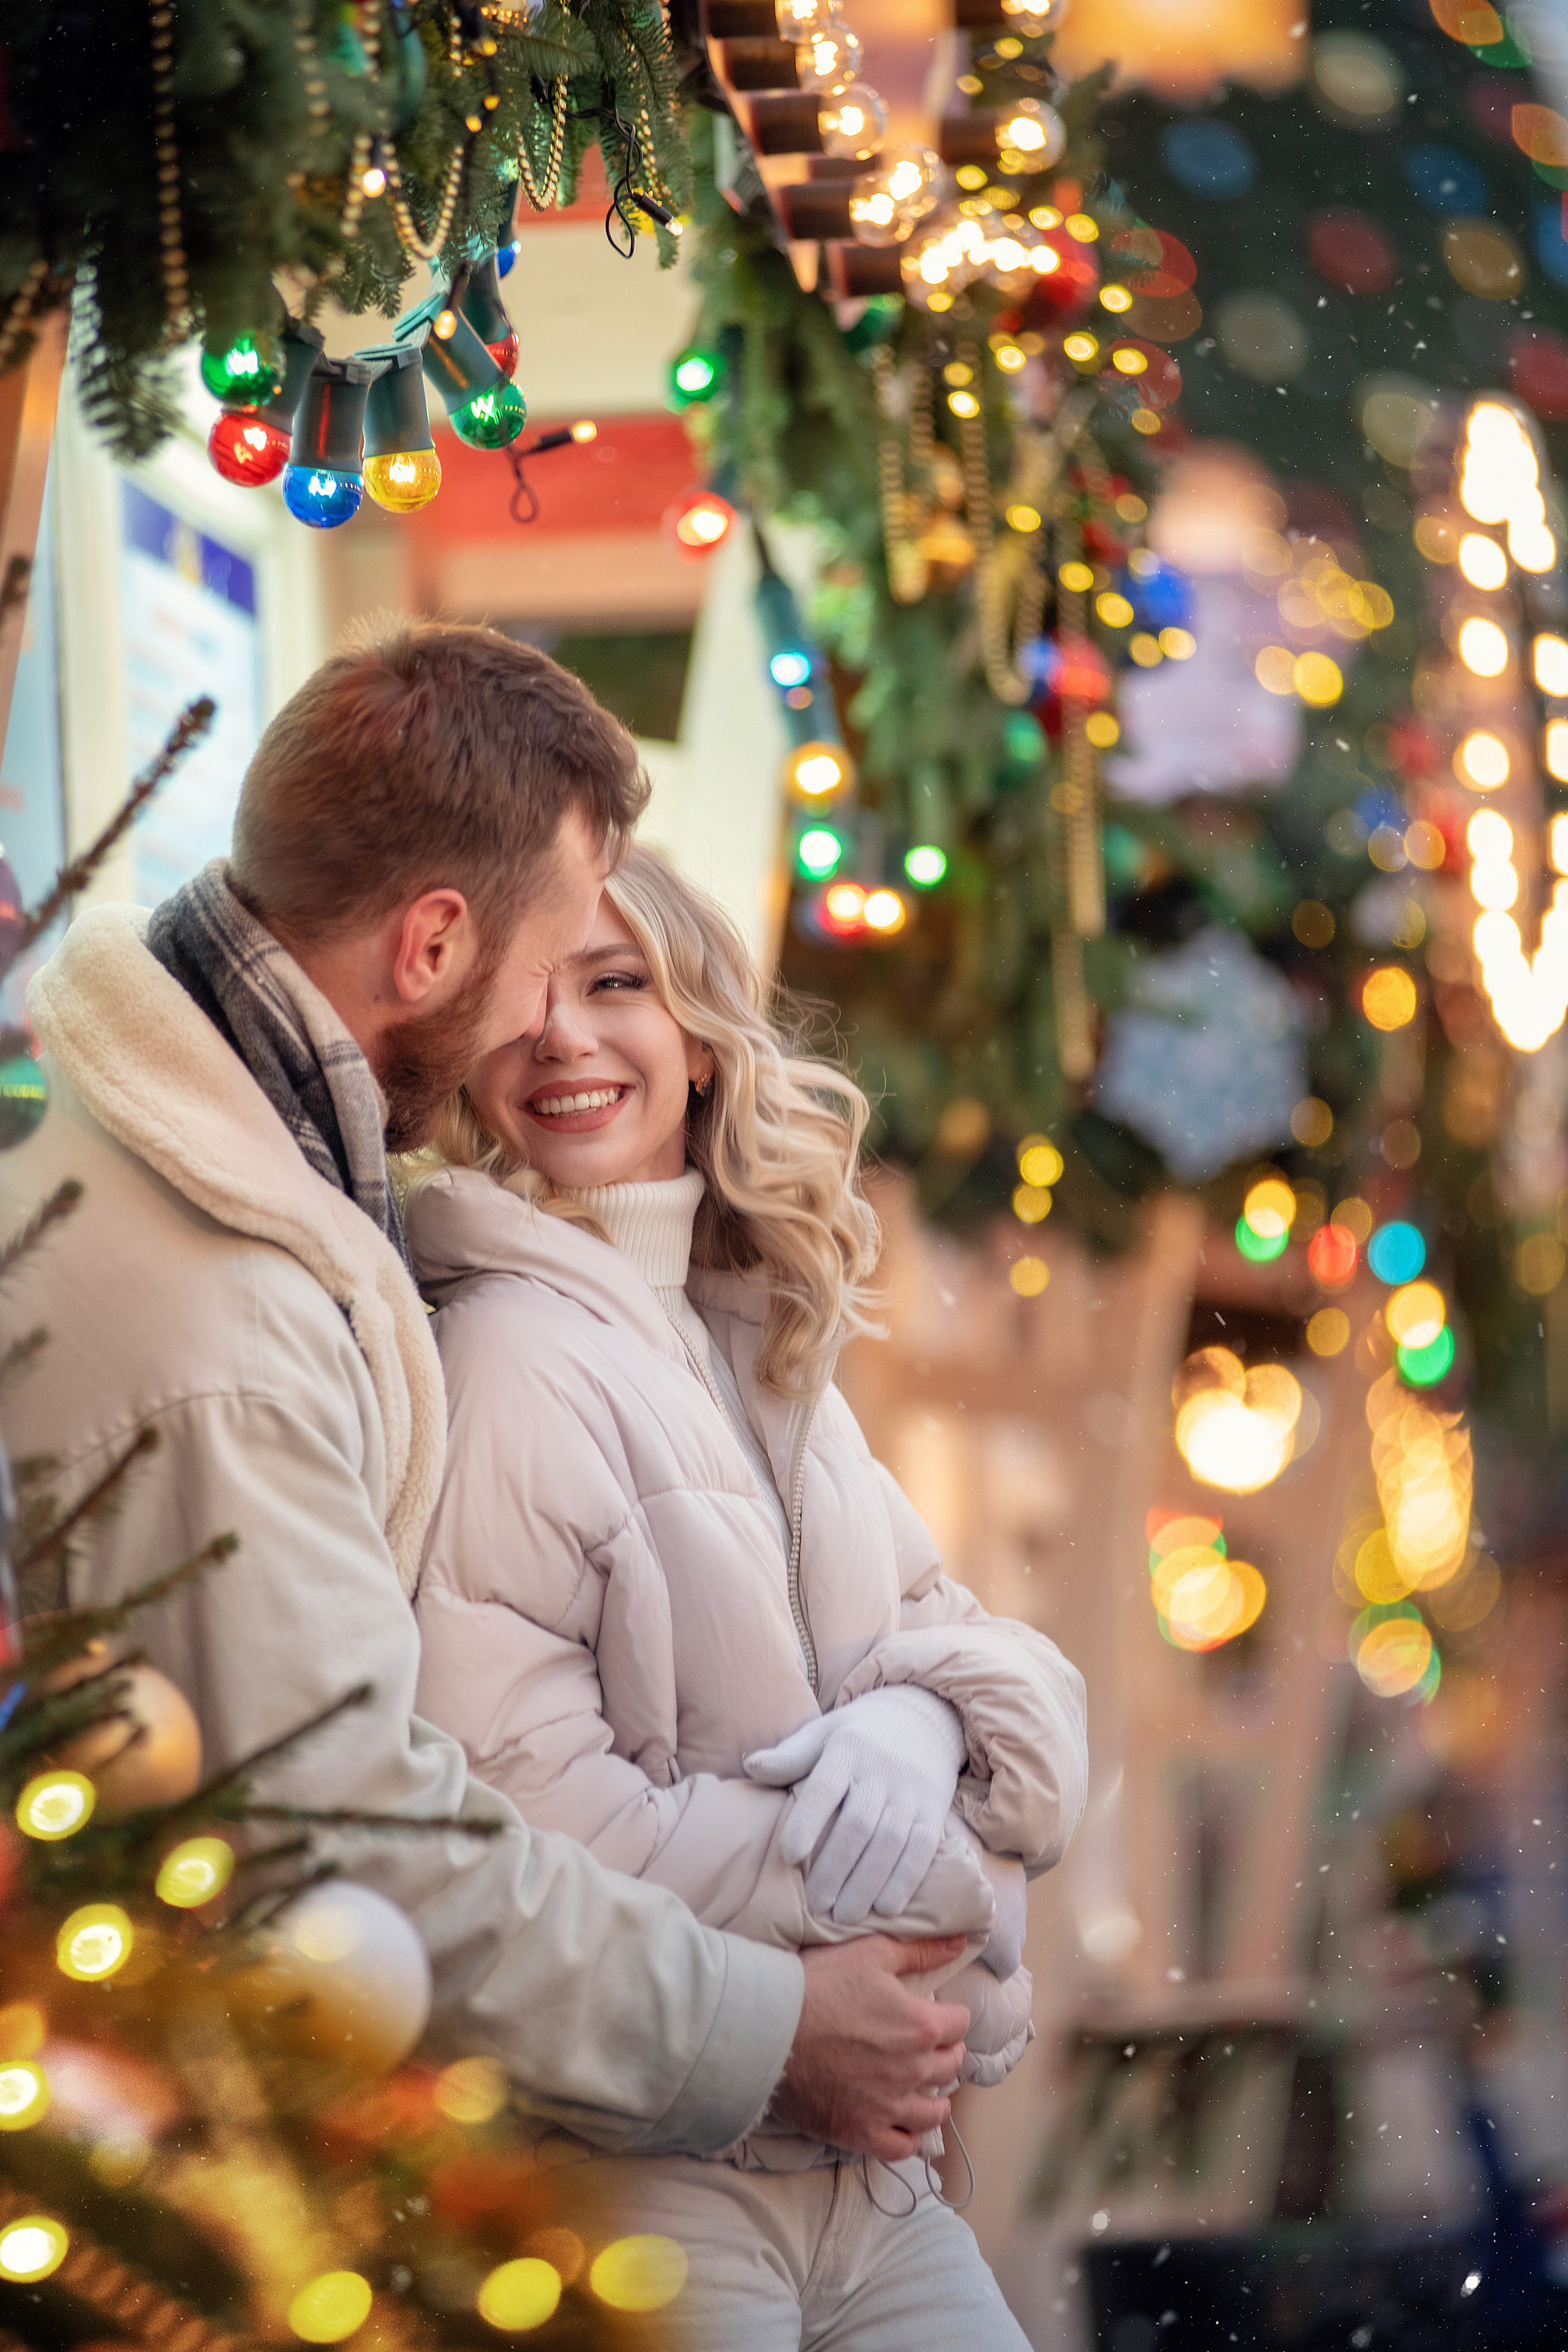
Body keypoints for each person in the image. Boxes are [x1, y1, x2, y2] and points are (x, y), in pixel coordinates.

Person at [0, 621, 973, 2163]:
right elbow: (336, 1835)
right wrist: (767, 2029)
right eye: (546, 960)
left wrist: (931, 1727)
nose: (547, 1028)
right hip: (155, 2162)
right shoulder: (221, 1320)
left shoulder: (262, 1180)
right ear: (433, 946)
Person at [406, 843, 1089, 2347]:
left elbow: (1003, 1680)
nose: (563, 1036)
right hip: (643, 2177)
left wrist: (918, 1722)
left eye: (615, 985)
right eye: (522, 998)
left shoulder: (758, 1344)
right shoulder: (502, 1355)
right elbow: (527, 1814)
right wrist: (927, 1893)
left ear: (703, 1041)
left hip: (869, 2189)